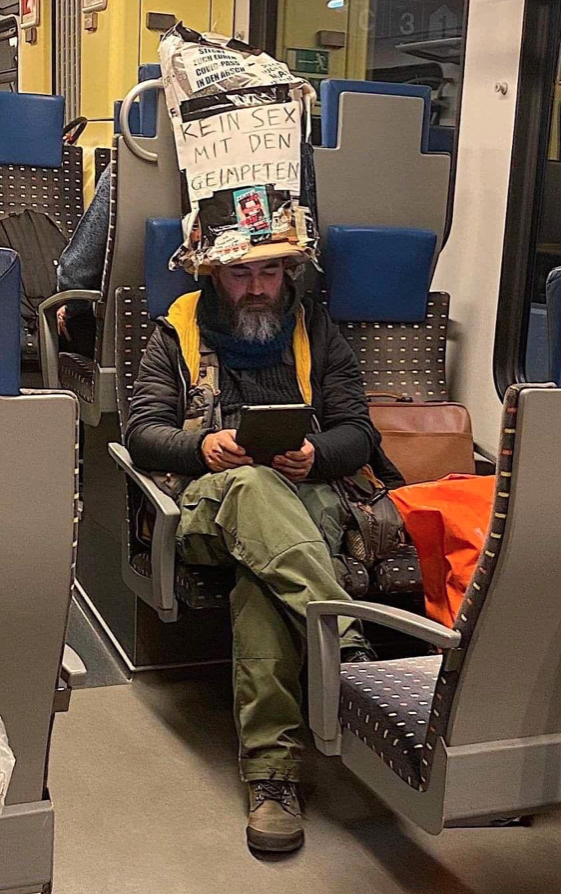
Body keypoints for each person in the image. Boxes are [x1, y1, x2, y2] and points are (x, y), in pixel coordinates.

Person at [125, 255, 404, 854]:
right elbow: (141, 431)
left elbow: (359, 431)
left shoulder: (316, 330)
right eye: (241, 275)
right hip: (210, 503)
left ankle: (272, 779)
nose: (256, 288)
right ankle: (346, 646)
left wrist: (317, 453)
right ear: (213, 277)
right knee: (254, 487)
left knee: (262, 581)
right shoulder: (175, 331)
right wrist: (202, 446)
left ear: (288, 276)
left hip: (307, 501)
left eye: (270, 274)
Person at [55, 163, 112, 356]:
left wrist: (72, 306)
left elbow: (75, 273)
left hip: (117, 334)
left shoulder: (123, 171)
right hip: (184, 329)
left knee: (69, 310)